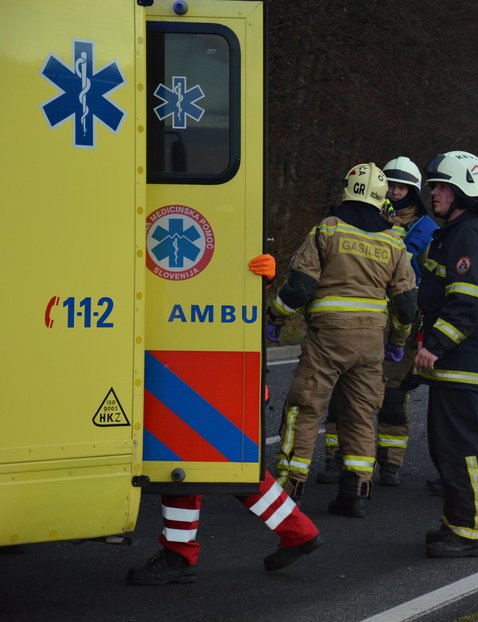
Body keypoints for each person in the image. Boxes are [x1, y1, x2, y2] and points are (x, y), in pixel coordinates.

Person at [125, 256, 322, 586]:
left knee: (184, 459)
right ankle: (298, 530)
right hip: (219, 369)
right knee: (228, 463)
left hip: (201, 368)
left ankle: (179, 553)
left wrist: (260, 280)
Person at [271, 162, 417, 517]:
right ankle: (356, 491)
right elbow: (406, 304)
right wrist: (397, 341)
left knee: (305, 409)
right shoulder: (393, 242)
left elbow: (301, 286)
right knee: (361, 414)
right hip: (371, 344)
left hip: (327, 338)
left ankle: (289, 490)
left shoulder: (327, 231)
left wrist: (275, 317)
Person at [317, 156, 438, 487]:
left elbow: (431, 281)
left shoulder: (428, 231)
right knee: (344, 392)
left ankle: (390, 461)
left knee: (394, 397)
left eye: (403, 187)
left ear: (413, 192)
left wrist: (421, 325)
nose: (396, 193)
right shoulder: (364, 217)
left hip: (403, 322)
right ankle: (334, 458)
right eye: (392, 186)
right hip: (362, 319)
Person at [413, 150, 478, 558]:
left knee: (464, 448)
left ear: (462, 191)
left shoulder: (470, 233)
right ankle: (457, 521)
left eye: (441, 186)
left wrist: (435, 345)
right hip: (459, 364)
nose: (433, 192)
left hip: (467, 363)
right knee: (447, 448)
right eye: (433, 185)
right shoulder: (454, 232)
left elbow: (468, 301)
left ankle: (473, 532)